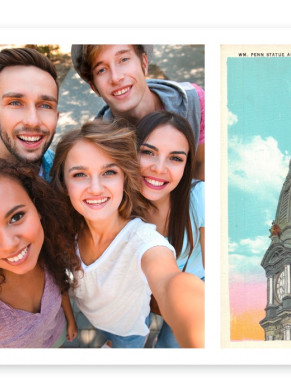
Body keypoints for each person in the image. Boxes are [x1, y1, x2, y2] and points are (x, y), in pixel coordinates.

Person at [49, 120, 204, 348]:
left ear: (125, 177)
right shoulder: (66, 229)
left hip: (129, 333)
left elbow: (170, 281)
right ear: (64, 182)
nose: (95, 188)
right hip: (97, 321)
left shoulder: (143, 241)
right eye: (80, 174)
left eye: (109, 172)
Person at [0, 158, 79, 348]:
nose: (9, 244)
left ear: (37, 208)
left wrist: (70, 318)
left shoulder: (47, 252)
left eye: (17, 217)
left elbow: (61, 288)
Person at [70, 44, 205, 180]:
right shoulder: (98, 144)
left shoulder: (193, 102)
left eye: (123, 60)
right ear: (94, 88)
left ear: (144, 63)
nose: (116, 78)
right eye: (101, 70)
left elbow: (202, 167)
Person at [135, 111, 205, 348]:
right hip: (140, 294)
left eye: (175, 158)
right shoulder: (116, 202)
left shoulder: (200, 197)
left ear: (186, 165)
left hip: (194, 289)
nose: (159, 168)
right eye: (148, 152)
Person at [0, 47, 60, 181]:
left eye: (46, 105)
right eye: (15, 103)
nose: (33, 121)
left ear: (56, 118)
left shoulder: (65, 175)